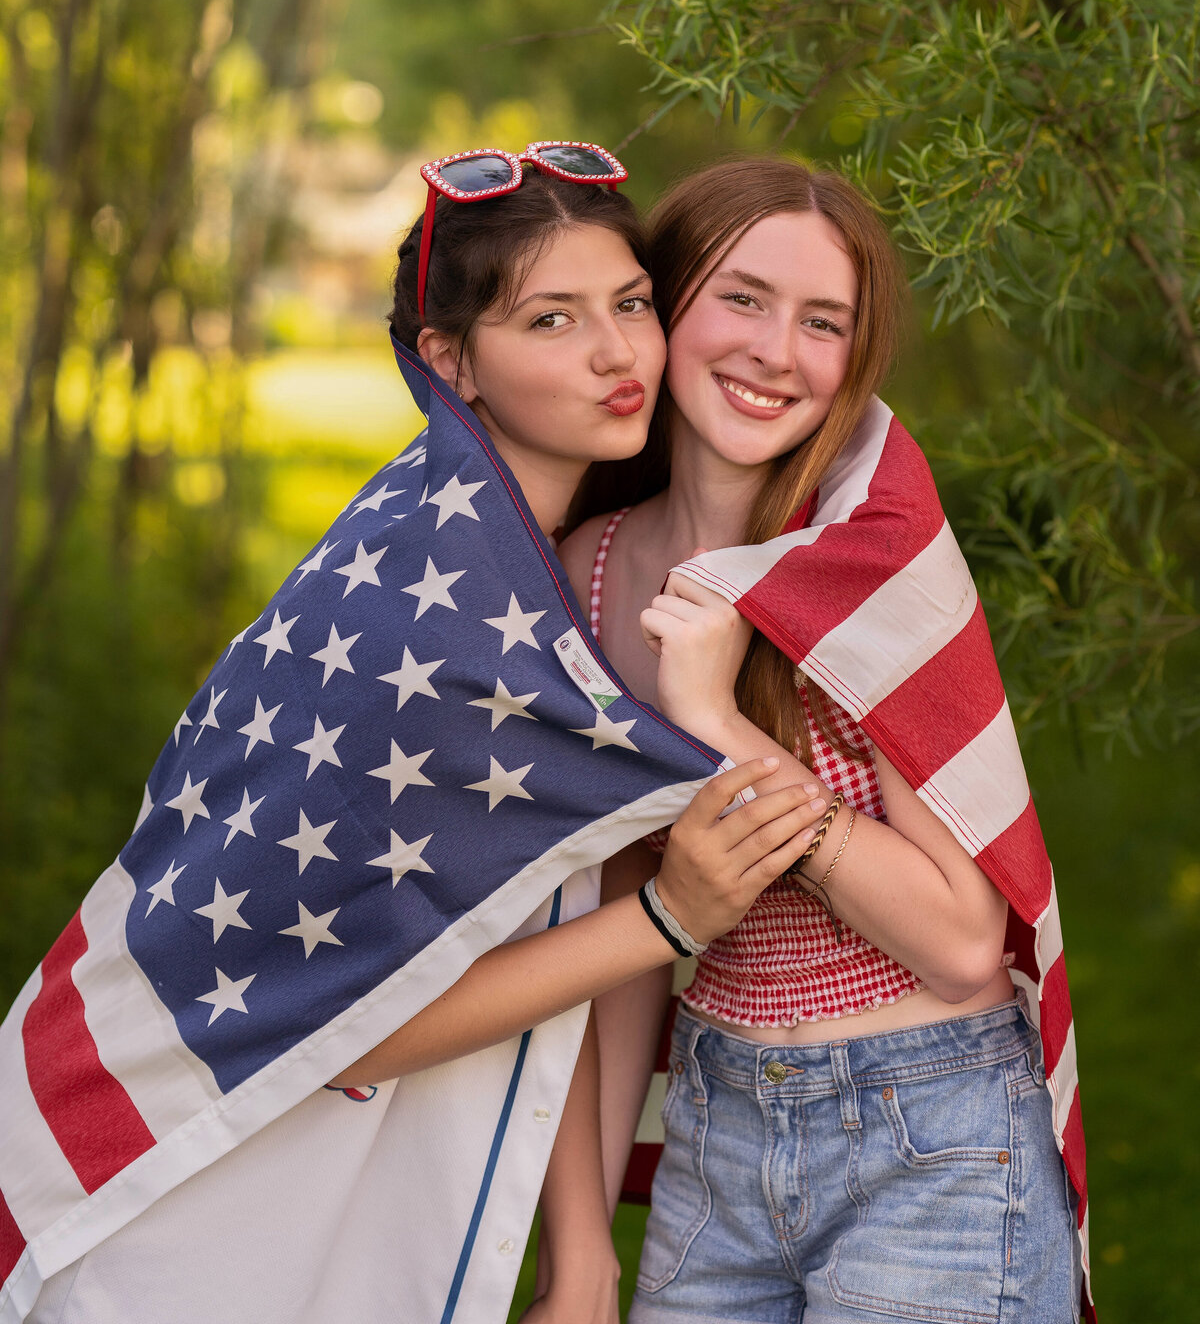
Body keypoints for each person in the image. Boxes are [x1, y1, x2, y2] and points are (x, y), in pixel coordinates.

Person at [4, 145, 822, 1324]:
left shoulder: (500, 564)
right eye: (552, 321)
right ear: (451, 363)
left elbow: (528, 896)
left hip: (327, 1198)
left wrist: (582, 1253)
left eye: (631, 304)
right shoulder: (429, 614)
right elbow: (351, 1023)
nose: (618, 353)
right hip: (187, 1211)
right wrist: (670, 919)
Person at [551, 157, 1085, 1322]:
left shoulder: (867, 558)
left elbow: (958, 938)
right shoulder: (586, 572)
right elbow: (628, 927)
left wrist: (719, 724)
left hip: (934, 1130)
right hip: (715, 1130)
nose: (777, 353)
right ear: (663, 304)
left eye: (823, 323)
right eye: (741, 298)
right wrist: (581, 1252)